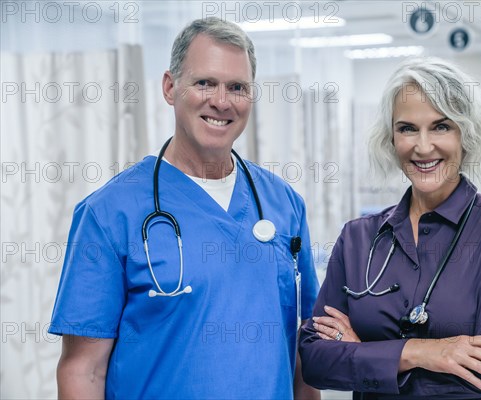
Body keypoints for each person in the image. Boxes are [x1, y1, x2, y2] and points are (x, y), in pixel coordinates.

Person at [50, 17, 320, 399]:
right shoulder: (109, 212)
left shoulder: (284, 204)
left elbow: (302, 348)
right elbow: (83, 370)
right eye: (204, 82)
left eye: (237, 87)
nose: (221, 101)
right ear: (170, 87)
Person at [299, 57, 481, 399]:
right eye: (407, 128)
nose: (423, 146)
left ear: (465, 133)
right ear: (391, 137)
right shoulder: (358, 238)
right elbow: (316, 361)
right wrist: (425, 353)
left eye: (441, 126)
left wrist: (367, 357)